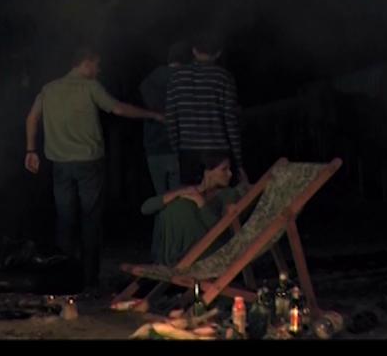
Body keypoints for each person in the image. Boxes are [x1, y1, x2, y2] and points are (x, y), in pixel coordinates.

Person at [24, 46, 164, 291]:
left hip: (60, 165)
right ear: (85, 63)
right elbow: (118, 108)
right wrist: (152, 115)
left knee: (65, 220)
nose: (98, 70)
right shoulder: (90, 87)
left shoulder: (49, 89)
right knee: (90, 220)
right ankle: (89, 279)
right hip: (88, 164)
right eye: (96, 65)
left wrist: (30, 150)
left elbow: (31, 118)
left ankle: (64, 278)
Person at [164, 33, 248, 186]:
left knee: (192, 195)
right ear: (218, 53)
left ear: (194, 51)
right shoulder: (224, 77)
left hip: (188, 151)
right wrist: (238, 161)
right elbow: (231, 121)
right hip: (218, 153)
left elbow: (171, 119)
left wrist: (178, 151)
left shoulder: (176, 78)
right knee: (221, 197)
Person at [140, 151, 240, 265]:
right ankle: (171, 259)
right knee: (171, 209)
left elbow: (222, 231)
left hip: (207, 250)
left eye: (229, 169)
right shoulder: (188, 190)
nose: (230, 174)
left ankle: (175, 260)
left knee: (183, 209)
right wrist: (179, 193)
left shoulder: (228, 194)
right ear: (208, 172)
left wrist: (201, 203)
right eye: (224, 169)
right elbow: (145, 208)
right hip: (179, 253)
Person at [139, 41, 191, 195]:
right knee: (180, 197)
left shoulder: (150, 79)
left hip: (154, 147)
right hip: (179, 148)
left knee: (161, 198)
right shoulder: (187, 80)